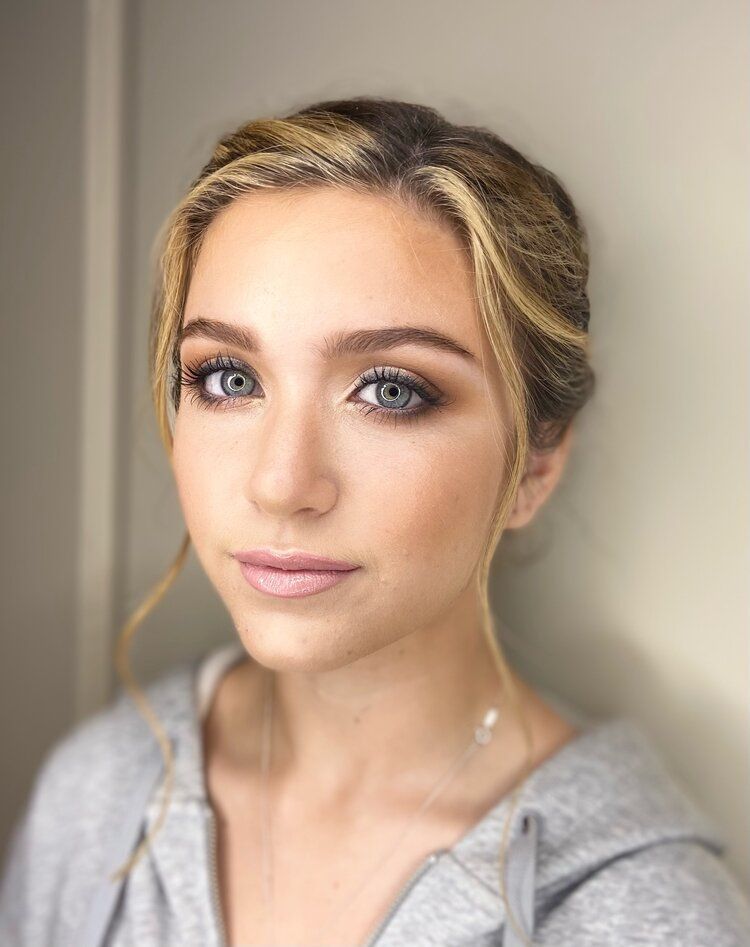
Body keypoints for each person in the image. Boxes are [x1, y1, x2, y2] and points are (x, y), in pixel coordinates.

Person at [1, 95, 749, 947]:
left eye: (390, 389)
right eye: (229, 379)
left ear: (534, 465)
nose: (282, 484)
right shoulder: (97, 798)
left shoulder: (642, 917)